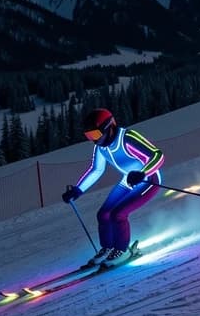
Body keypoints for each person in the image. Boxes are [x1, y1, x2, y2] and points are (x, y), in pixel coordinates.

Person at [61, 108, 164, 266]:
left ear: (108, 127)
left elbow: (157, 155)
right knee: (103, 214)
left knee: (118, 214)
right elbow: (96, 170)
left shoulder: (127, 138)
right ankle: (108, 248)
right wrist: (78, 190)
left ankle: (122, 250)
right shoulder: (101, 147)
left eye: (95, 134)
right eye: (89, 136)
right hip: (129, 180)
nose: (93, 140)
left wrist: (142, 173)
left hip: (149, 179)